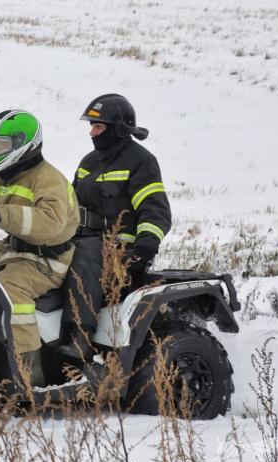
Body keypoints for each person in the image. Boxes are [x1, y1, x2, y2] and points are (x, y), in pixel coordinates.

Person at [0, 109, 79, 387]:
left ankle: (28, 376)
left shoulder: (49, 179)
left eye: (0, 146)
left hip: (45, 260)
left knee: (9, 292)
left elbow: (50, 223)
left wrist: (2, 215)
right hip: (12, 252)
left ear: (23, 145)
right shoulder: (2, 179)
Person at [60, 94, 172, 361]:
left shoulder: (140, 161)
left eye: (98, 127)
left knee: (84, 255)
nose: (92, 133)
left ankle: (80, 336)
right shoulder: (89, 162)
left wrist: (145, 245)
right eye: (91, 127)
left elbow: (155, 208)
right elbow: (70, 204)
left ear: (118, 128)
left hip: (119, 251)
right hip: (82, 239)